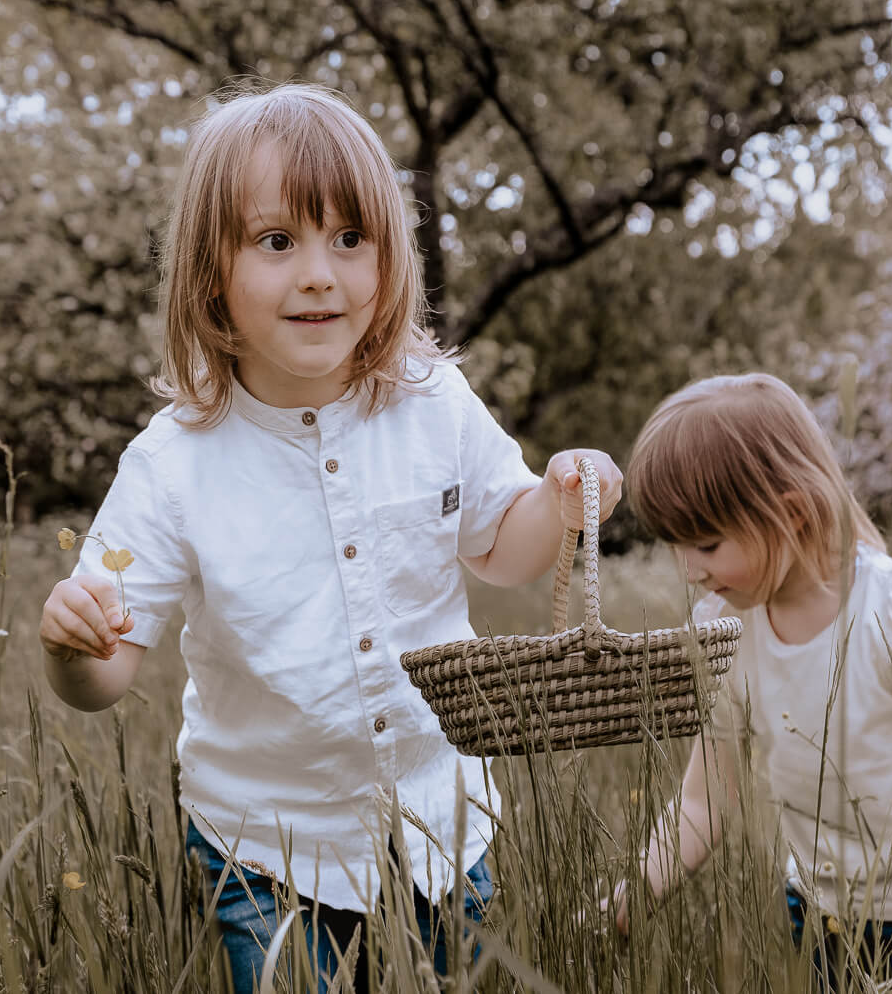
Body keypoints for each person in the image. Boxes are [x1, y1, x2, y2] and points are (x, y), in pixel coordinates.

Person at [38, 82, 622, 992]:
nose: (319, 273)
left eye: (350, 238)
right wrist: (74, 646)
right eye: (277, 241)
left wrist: (560, 499)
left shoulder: (433, 401)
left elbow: (504, 547)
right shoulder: (173, 463)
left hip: (441, 828)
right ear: (210, 271)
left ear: (390, 257)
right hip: (267, 850)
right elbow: (105, 675)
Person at [613, 372, 892, 991]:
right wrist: (638, 889)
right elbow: (706, 800)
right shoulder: (725, 631)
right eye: (675, 546)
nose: (690, 571)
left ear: (790, 514)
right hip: (827, 916)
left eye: (706, 544)